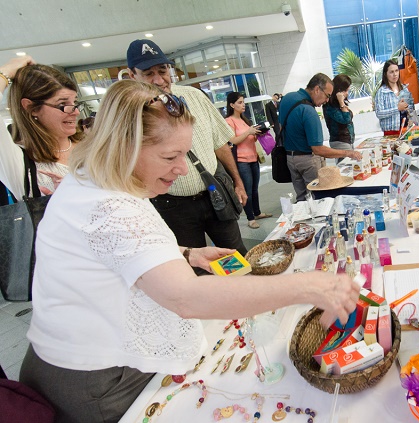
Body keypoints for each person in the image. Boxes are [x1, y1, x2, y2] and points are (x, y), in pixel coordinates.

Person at [18, 79, 361, 423]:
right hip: (95, 382)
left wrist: (186, 254)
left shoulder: (96, 177)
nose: (183, 168)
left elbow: (107, 249)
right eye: (170, 156)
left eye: (185, 153)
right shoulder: (110, 207)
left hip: (77, 360)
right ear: (125, 147)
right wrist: (311, 286)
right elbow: (187, 298)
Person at [126, 39, 248, 255]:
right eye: (148, 73)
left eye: (162, 70)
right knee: (195, 263)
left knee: (235, 253)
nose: (158, 79)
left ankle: (245, 288)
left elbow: (220, 144)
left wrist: (238, 182)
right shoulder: (131, 116)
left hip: (213, 193)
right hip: (172, 206)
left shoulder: (194, 96)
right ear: (132, 76)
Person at [1, 57, 85, 197]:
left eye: (74, 102)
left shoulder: (93, 146)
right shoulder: (20, 164)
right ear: (31, 108)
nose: (75, 111)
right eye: (63, 104)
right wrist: (5, 72)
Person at [279, 73, 361, 201]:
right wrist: (347, 152)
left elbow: (280, 126)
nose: (327, 100)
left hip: (290, 158)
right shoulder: (309, 111)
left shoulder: (287, 98)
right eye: (327, 95)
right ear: (317, 89)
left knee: (301, 198)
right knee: (318, 198)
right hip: (308, 161)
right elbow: (318, 149)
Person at [224, 91, 272, 229]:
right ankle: (250, 218)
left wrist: (257, 133)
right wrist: (248, 132)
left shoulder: (245, 120)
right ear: (232, 105)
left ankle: (257, 212)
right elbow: (233, 140)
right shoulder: (229, 121)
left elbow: (249, 138)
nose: (243, 105)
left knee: (255, 189)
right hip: (241, 160)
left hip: (253, 158)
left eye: (243, 102)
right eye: (239, 102)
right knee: (247, 191)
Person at [374, 59, 416, 135]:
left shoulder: (404, 89)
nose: (395, 74)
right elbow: (379, 113)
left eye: (396, 71)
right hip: (391, 131)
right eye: (391, 72)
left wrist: (407, 107)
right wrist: (397, 109)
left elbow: (411, 107)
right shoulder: (382, 92)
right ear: (385, 74)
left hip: (406, 128)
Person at [323, 74, 355, 163]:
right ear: (339, 91)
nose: (347, 94)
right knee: (345, 168)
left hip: (347, 141)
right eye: (346, 90)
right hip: (340, 142)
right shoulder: (329, 106)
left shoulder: (337, 105)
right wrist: (341, 102)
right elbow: (346, 119)